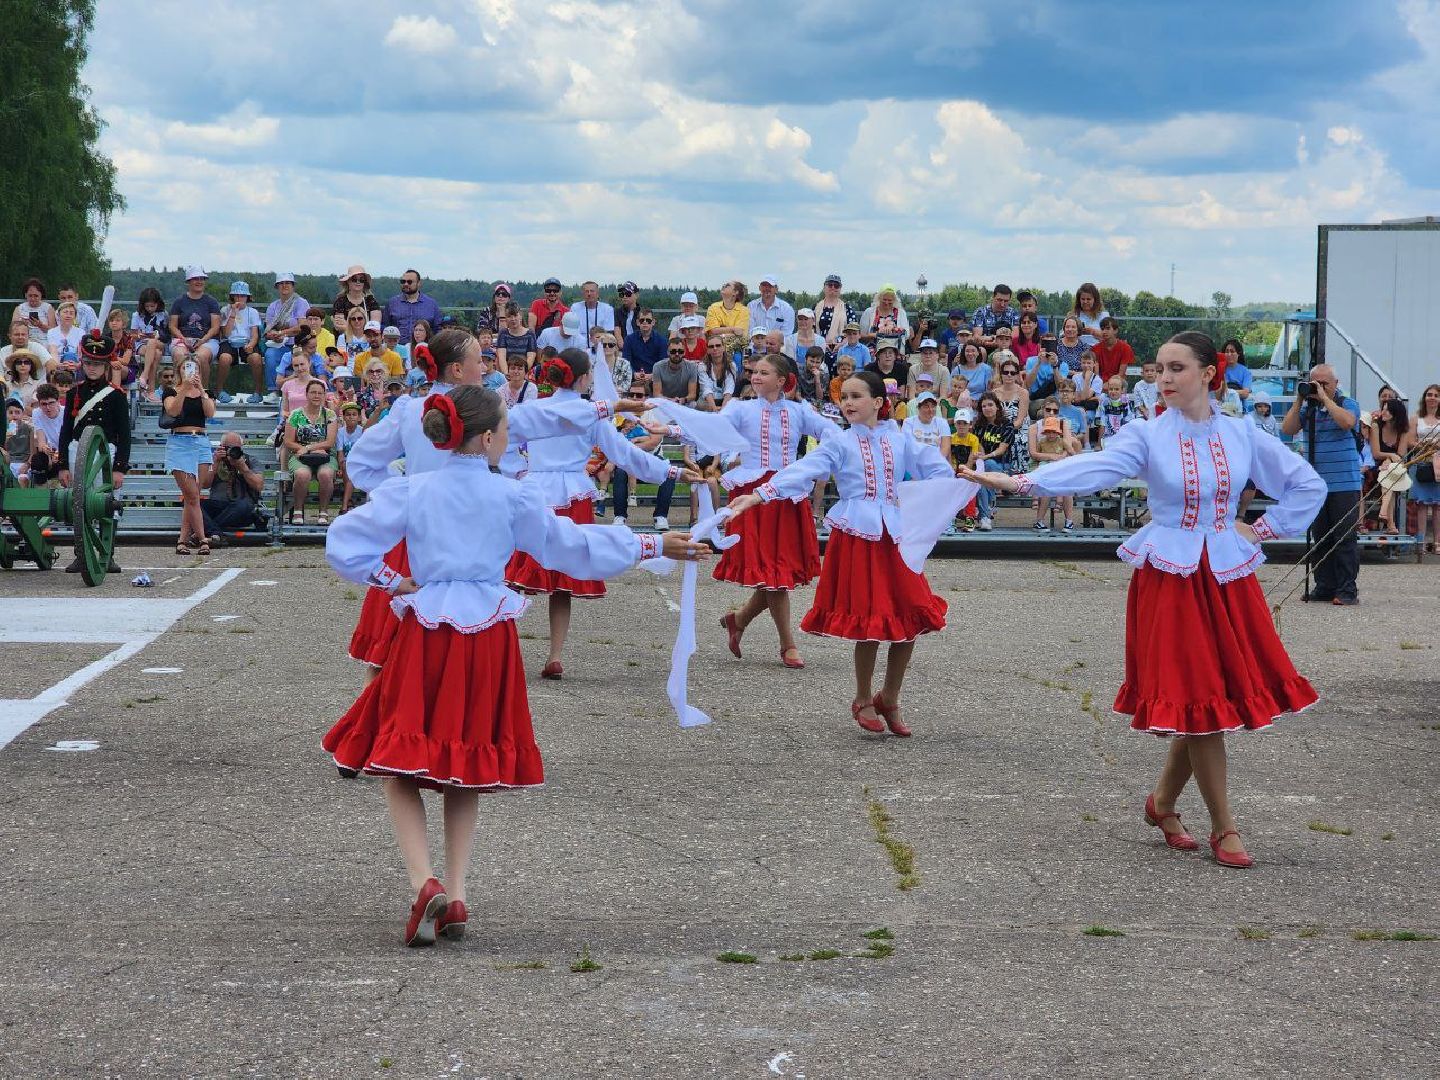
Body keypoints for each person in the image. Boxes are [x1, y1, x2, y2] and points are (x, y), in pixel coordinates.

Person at [322, 383, 708, 946]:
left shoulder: (414, 489)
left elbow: (345, 540)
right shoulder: (513, 496)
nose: (511, 435)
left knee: (395, 751)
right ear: (485, 439)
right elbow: (570, 547)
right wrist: (650, 544)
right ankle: (454, 892)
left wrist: (389, 580)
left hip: (426, 626)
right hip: (488, 632)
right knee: (467, 759)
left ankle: (422, 880)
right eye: (506, 427)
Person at [961, 332, 1326, 868]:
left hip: (1225, 575)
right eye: (1158, 369)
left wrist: (1264, 529)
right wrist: (1020, 482)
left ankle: (1162, 803)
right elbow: (1090, 470)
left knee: (1208, 700)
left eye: (1177, 368)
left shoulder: (1242, 432)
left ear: (1209, 373)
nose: (1164, 377)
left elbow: (1307, 484)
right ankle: (1225, 826)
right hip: (1171, 577)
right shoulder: (1146, 435)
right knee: (1199, 698)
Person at [344, 329, 644, 678]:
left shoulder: (416, 410)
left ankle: (387, 725)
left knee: (395, 650)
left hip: (421, 534)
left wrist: (405, 494)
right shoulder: (458, 410)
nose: (485, 368)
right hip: (464, 540)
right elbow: (543, 421)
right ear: (456, 369)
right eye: (478, 361)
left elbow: (362, 464)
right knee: (446, 650)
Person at [726, 369, 954, 736]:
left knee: (910, 619)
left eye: (856, 396)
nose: (847, 403)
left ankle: (890, 697)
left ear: (879, 402)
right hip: (858, 536)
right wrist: (759, 494)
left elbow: (935, 468)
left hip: (896, 536)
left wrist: (956, 487)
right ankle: (863, 696)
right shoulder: (839, 443)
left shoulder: (900, 440)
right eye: (844, 397)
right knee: (869, 623)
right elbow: (802, 469)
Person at [504, 349, 699, 678]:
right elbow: (627, 456)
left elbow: (505, 442)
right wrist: (673, 473)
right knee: (563, 579)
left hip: (533, 491)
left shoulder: (532, 408)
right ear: (582, 378)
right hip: (573, 494)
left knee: (512, 577)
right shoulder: (591, 415)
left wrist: (515, 475)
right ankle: (554, 654)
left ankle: (504, 651)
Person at [660, 354, 836, 669]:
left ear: (782, 380)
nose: (755, 377)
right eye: (754, 372)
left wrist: (838, 452)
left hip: (785, 492)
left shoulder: (798, 411)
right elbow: (709, 429)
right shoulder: (741, 408)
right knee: (774, 574)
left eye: (763, 373)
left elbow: (832, 434)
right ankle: (788, 645)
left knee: (775, 572)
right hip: (752, 492)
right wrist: (669, 429)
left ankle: (738, 620)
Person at [1280, 363, 1361, 605]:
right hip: (1316, 484)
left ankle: (1347, 590)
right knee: (1321, 536)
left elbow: (1347, 422)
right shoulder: (1309, 409)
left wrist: (1325, 398)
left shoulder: (1347, 403)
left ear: (1336, 384)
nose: (1319, 387)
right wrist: (1299, 400)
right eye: (1316, 382)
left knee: (1344, 537)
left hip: (1344, 483)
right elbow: (1287, 429)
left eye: (1325, 383)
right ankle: (1324, 585)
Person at [56, 333, 130, 573]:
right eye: (88, 363)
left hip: (103, 453)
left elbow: (125, 435)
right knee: (79, 505)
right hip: (78, 450)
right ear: (82, 363)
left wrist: (119, 468)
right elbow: (66, 433)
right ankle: (81, 554)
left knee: (105, 504)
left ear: (106, 365)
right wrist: (63, 465)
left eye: (97, 364)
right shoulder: (73, 393)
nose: (92, 368)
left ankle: (107, 553)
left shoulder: (116, 396)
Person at [284, 379, 338, 526]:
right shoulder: (295, 415)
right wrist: (303, 450)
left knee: (325, 475)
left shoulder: (330, 415)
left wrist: (309, 448)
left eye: (320, 393)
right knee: (302, 475)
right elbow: (288, 441)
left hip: (325, 455)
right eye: (313, 392)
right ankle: (298, 510)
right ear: (306, 394)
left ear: (324, 395)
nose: (316, 396)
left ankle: (323, 512)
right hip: (299, 454)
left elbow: (330, 442)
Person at [202, 431, 266, 536]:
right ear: (222, 447)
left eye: (236, 448)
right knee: (192, 504)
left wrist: (243, 468)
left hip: (242, 510)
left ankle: (211, 530)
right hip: (219, 505)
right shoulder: (214, 460)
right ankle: (215, 533)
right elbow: (205, 484)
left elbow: (259, 486)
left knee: (244, 505)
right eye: (229, 448)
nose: (232, 451)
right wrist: (215, 462)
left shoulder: (250, 460)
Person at [168, 267, 222, 386]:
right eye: (195, 279)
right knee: (180, 355)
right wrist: (183, 339)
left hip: (207, 340)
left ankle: (203, 391)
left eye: (202, 279)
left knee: (201, 357)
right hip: (182, 339)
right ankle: (180, 390)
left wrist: (203, 340)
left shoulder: (211, 302)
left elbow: (215, 327)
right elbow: (172, 326)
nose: (199, 281)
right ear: (189, 281)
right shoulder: (179, 302)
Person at [1028, 406, 1077, 532]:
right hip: (1047, 472)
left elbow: (1072, 452)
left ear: (1058, 432)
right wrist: (1050, 458)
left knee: (1067, 489)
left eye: (1054, 431)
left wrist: (1063, 456)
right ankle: (1039, 521)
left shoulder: (1062, 441)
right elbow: (1035, 456)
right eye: (1049, 431)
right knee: (1046, 490)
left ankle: (1069, 521)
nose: (1051, 434)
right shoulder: (1042, 442)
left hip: (1060, 470)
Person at [262, 273, 310, 401]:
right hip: (279, 345)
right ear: (277, 287)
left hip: (299, 344)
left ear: (293, 286)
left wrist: (282, 333)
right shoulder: (273, 306)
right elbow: (268, 329)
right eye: (281, 283)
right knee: (270, 355)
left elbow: (302, 327)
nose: (284, 286)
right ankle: (273, 391)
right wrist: (273, 335)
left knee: (303, 358)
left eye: (287, 283)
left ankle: (305, 388)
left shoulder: (301, 303)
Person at [1368, 397, 1411, 534]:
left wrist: (1390, 460)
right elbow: (1375, 453)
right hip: (1374, 466)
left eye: (1388, 410)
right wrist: (1389, 456)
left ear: (1396, 413)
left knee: (1389, 472)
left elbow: (1401, 455)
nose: (1383, 412)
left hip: (1394, 467)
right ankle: (1390, 524)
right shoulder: (1376, 426)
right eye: (1383, 408)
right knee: (1388, 474)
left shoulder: (1403, 430)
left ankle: (1384, 514)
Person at [217, 281, 263, 404]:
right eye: (236, 295)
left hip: (246, 341)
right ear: (232, 296)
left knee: (256, 358)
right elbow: (226, 333)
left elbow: (255, 334)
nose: (239, 298)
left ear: (247, 297)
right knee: (224, 358)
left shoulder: (252, 312)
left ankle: (258, 392)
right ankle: (219, 390)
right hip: (229, 341)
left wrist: (251, 345)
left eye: (242, 296)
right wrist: (233, 313)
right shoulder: (225, 310)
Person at [1408, 384, 1440, 553]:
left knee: (1437, 505)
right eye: (1429, 394)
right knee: (1421, 504)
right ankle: (1420, 542)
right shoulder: (1415, 418)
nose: (1432, 397)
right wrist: (1424, 445)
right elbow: (1410, 441)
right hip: (1420, 462)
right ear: (1424, 397)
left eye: (1436, 395)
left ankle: (1437, 543)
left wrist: (1435, 446)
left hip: (1438, 464)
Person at [382, 270, 443, 345]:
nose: (406, 284)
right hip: (396, 349)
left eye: (410, 282)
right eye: (403, 281)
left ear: (419, 283)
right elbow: (385, 327)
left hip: (423, 349)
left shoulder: (431, 304)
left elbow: (437, 329)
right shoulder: (392, 303)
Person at [130, 288, 170, 393]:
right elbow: (133, 335)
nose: (149, 309)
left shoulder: (163, 314)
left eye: (152, 306)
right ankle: (151, 390)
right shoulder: (136, 315)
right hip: (142, 344)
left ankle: (144, 374)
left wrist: (157, 336)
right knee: (156, 353)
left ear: (158, 304)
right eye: (147, 306)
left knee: (152, 342)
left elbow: (167, 336)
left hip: (159, 343)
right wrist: (141, 335)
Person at [813, 274, 857, 350]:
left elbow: (854, 331)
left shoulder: (847, 308)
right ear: (824, 287)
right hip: (819, 348)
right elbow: (811, 330)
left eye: (836, 286)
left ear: (840, 288)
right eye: (830, 285)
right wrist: (821, 344)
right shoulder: (816, 307)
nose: (833, 287)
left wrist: (842, 344)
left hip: (842, 349)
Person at [970, 284, 1019, 349]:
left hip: (1007, 349)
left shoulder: (1013, 313)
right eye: (999, 300)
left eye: (1006, 301)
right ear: (993, 297)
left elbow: (1015, 335)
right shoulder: (980, 312)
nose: (1002, 304)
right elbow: (977, 337)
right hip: (985, 348)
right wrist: (994, 339)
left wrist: (999, 342)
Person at [622, 307, 667, 376]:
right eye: (642, 320)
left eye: (648, 320)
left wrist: (652, 375)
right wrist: (634, 374)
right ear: (637, 322)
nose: (645, 322)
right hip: (633, 378)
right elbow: (626, 362)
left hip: (654, 379)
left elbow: (663, 364)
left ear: (653, 322)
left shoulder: (662, 340)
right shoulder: (629, 340)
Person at [45, 301, 85, 379]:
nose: (68, 315)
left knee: (70, 356)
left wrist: (77, 365)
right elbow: (53, 351)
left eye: (71, 313)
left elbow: (80, 354)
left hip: (74, 363)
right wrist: (59, 365)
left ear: (75, 316)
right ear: (59, 315)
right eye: (65, 312)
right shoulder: (51, 332)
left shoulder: (81, 332)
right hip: (58, 364)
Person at [12, 278, 56, 345]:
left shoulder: (48, 308)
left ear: (41, 295)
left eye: (36, 296)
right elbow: (13, 329)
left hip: (45, 342)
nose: (33, 299)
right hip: (24, 341)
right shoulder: (19, 308)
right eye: (30, 295)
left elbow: (54, 331)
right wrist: (22, 324)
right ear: (25, 295)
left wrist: (40, 325)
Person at [1092, 317, 1135, 384]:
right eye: (1102, 329)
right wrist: (1100, 386)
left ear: (1115, 330)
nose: (1104, 331)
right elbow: (1096, 376)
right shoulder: (1095, 349)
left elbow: (1121, 374)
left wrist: (1108, 385)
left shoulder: (1126, 348)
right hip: (1100, 384)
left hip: (1118, 383)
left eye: (1108, 328)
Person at [4, 344, 44, 408]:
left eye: (26, 362)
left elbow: (36, 408)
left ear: (31, 366)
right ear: (15, 366)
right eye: (19, 362)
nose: (23, 365)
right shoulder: (7, 385)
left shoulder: (39, 385)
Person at [1070, 282, 1108, 347]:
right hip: (1076, 351)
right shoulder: (1073, 315)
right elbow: (1062, 336)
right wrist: (1074, 332)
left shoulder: (1104, 316)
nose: (1085, 302)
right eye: (1083, 299)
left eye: (1088, 299)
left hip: (1098, 351)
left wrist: (1092, 331)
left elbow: (1109, 337)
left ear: (1095, 300)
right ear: (1079, 300)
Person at [1220, 338, 1251, 408]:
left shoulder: (1245, 372)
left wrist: (1227, 391)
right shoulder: (1219, 369)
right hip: (1221, 410)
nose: (1229, 354)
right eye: (1227, 351)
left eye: (1232, 351)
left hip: (1241, 410)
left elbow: (1245, 394)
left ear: (1238, 353)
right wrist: (1238, 392)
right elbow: (1217, 392)